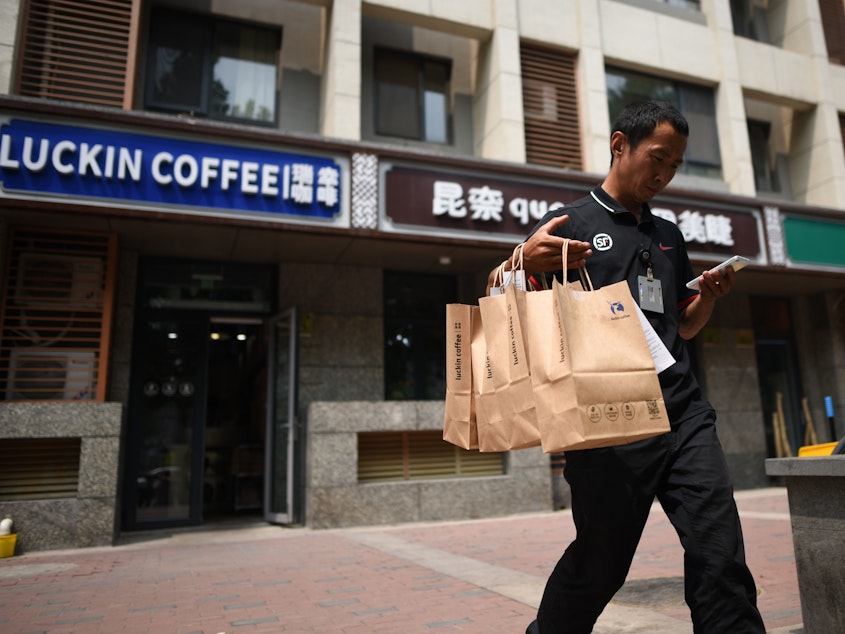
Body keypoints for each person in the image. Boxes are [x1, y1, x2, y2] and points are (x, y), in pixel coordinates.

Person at [490, 100, 766, 633]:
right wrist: (525, 256)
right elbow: (514, 304)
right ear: (621, 146)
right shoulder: (569, 222)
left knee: (720, 554)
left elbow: (681, 328)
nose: (663, 175)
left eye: (675, 166)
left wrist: (707, 297)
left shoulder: (668, 236)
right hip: (607, 425)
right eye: (657, 159)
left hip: (684, 414)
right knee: (601, 563)